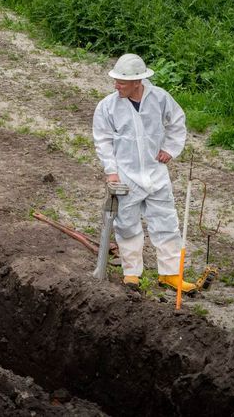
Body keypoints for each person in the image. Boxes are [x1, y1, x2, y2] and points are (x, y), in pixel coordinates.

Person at [92, 54, 195, 292]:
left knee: (167, 223)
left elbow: (177, 122)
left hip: (156, 174)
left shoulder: (159, 98)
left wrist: (169, 149)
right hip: (126, 177)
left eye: (122, 82)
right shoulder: (107, 106)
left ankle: (170, 274)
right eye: (116, 81)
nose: (116, 85)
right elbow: (103, 140)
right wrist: (111, 172)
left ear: (138, 82)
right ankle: (131, 273)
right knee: (127, 225)